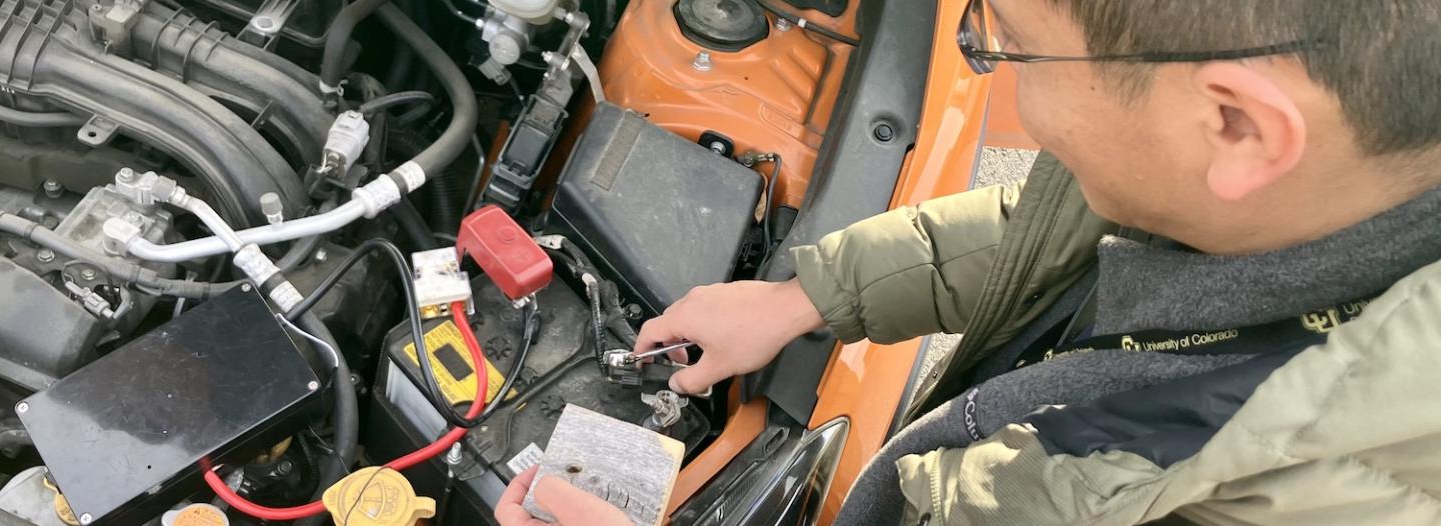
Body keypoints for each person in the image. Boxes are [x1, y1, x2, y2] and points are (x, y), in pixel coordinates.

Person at [499, 0, 1441, 524]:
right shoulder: (1291, 193)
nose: (997, 73)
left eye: (1007, 45)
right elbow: (1048, 242)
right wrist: (803, 297)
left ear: (1235, 126)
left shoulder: (1302, 496)